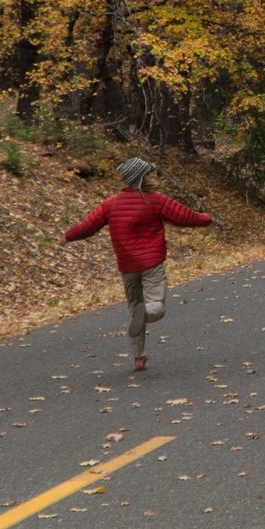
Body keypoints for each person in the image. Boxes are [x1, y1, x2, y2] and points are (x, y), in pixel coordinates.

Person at [64, 157, 216, 371]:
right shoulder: (154, 200)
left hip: (127, 266)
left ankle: (139, 357)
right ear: (142, 177)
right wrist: (206, 218)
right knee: (156, 307)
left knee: (135, 308)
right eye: (149, 173)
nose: (152, 176)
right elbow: (184, 217)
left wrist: (69, 236)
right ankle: (145, 314)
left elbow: (87, 226)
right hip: (151, 264)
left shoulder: (111, 203)